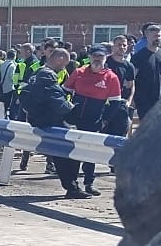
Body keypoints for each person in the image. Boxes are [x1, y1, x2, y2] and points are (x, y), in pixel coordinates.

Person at [19, 47, 84, 197]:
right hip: (50, 121)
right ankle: (72, 186)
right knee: (71, 151)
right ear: (59, 58)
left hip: (37, 120)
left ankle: (72, 186)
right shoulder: (47, 76)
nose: (64, 67)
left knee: (60, 155)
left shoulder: (37, 73)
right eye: (65, 63)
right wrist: (74, 111)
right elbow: (57, 101)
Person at [68, 47, 122, 196]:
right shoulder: (79, 72)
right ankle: (72, 184)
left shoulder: (111, 78)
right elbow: (65, 90)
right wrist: (66, 112)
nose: (97, 59)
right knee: (73, 152)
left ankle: (89, 183)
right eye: (94, 56)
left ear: (106, 58)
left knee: (89, 153)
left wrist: (105, 121)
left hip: (94, 121)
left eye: (100, 56)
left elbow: (115, 104)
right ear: (90, 57)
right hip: (75, 119)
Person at [130, 22, 161, 122]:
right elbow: (132, 78)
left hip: (159, 99)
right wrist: (131, 98)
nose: (157, 38)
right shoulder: (139, 56)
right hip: (143, 99)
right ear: (147, 36)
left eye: (159, 36)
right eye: (154, 36)